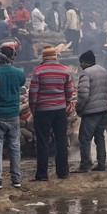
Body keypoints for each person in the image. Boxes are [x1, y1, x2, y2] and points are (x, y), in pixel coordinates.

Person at [29, 45, 73, 181]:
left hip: (42, 111)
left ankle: (42, 174)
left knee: (42, 141)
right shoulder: (64, 70)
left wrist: (33, 109)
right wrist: (65, 104)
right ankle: (63, 172)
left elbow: (33, 94)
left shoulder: (37, 71)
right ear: (55, 56)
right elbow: (69, 92)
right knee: (61, 140)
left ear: (43, 57)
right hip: (60, 110)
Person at [0, 44, 26, 190]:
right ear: (12, 58)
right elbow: (22, 84)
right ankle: (16, 179)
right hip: (13, 114)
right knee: (15, 147)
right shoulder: (19, 73)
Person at [74, 49, 107, 173]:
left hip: (91, 112)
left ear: (85, 62)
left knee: (84, 138)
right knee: (99, 137)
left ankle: (85, 165)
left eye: (81, 63)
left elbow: (83, 95)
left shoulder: (86, 74)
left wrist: (78, 108)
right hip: (103, 110)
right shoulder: (103, 70)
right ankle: (101, 164)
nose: (80, 66)